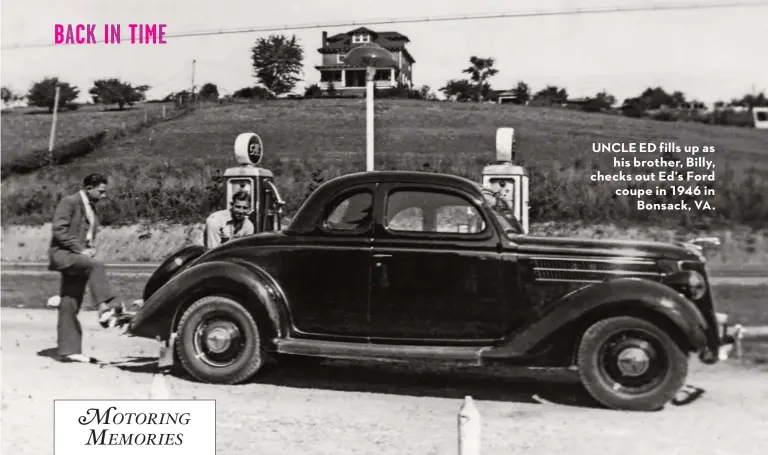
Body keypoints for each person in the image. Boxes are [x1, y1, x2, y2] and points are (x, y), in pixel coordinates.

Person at [48, 173, 125, 363]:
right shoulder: (70, 201)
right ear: (89, 188)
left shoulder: (91, 206)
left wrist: (89, 248)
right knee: (96, 266)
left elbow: (85, 232)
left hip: (77, 255)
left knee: (69, 301)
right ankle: (105, 308)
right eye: (101, 191)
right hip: (64, 255)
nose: (104, 195)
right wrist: (81, 250)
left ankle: (69, 349)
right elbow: (59, 230)